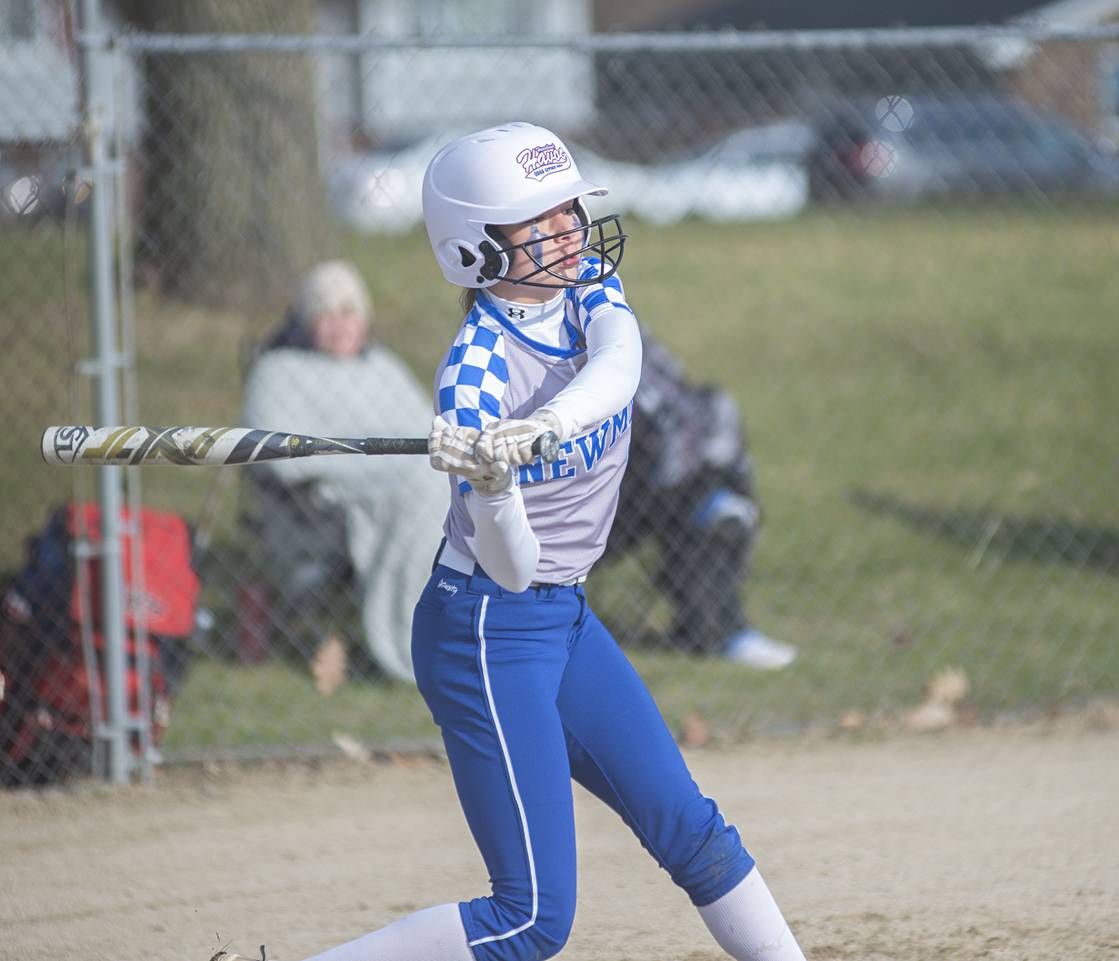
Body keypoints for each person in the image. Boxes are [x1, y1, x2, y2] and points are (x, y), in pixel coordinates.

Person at [212, 123, 807, 961]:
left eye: (570, 209)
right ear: (476, 250)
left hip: (561, 616)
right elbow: (512, 566)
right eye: (544, 220)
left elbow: (621, 361)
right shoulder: (475, 377)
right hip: (487, 627)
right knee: (528, 920)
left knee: (691, 827)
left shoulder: (587, 283)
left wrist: (549, 424)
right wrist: (493, 485)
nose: (571, 230)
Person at [240, 260, 450, 683]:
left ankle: (455, 629)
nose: (340, 325)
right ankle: (409, 639)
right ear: (306, 320)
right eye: (327, 314)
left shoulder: (383, 368)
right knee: (428, 487)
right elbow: (279, 456)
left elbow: (428, 434)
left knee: (444, 480)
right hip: (329, 497)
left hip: (408, 477)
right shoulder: (278, 371)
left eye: (349, 313)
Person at [602, 325, 796, 668]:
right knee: (700, 499)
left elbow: (675, 402)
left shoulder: (611, 318)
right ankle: (721, 630)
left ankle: (716, 628)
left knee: (714, 419)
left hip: (644, 481)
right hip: (585, 500)